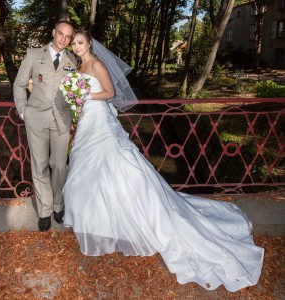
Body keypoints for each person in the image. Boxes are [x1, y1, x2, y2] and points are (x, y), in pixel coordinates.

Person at [62, 29, 264, 292]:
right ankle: (100, 223)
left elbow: (110, 92)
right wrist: (76, 100)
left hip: (100, 123)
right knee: (90, 173)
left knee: (119, 169)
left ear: (89, 43)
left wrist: (85, 95)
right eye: (74, 43)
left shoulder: (97, 64)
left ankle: (133, 219)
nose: (77, 46)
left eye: (80, 42)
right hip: (88, 123)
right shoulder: (79, 66)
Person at [13, 21, 77, 232]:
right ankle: (45, 210)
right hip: (36, 119)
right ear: (53, 33)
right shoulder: (33, 54)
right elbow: (20, 84)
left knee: (59, 165)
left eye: (68, 36)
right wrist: (23, 111)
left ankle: (58, 204)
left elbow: (75, 91)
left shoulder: (72, 60)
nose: (63, 39)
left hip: (61, 119)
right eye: (60, 34)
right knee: (39, 166)